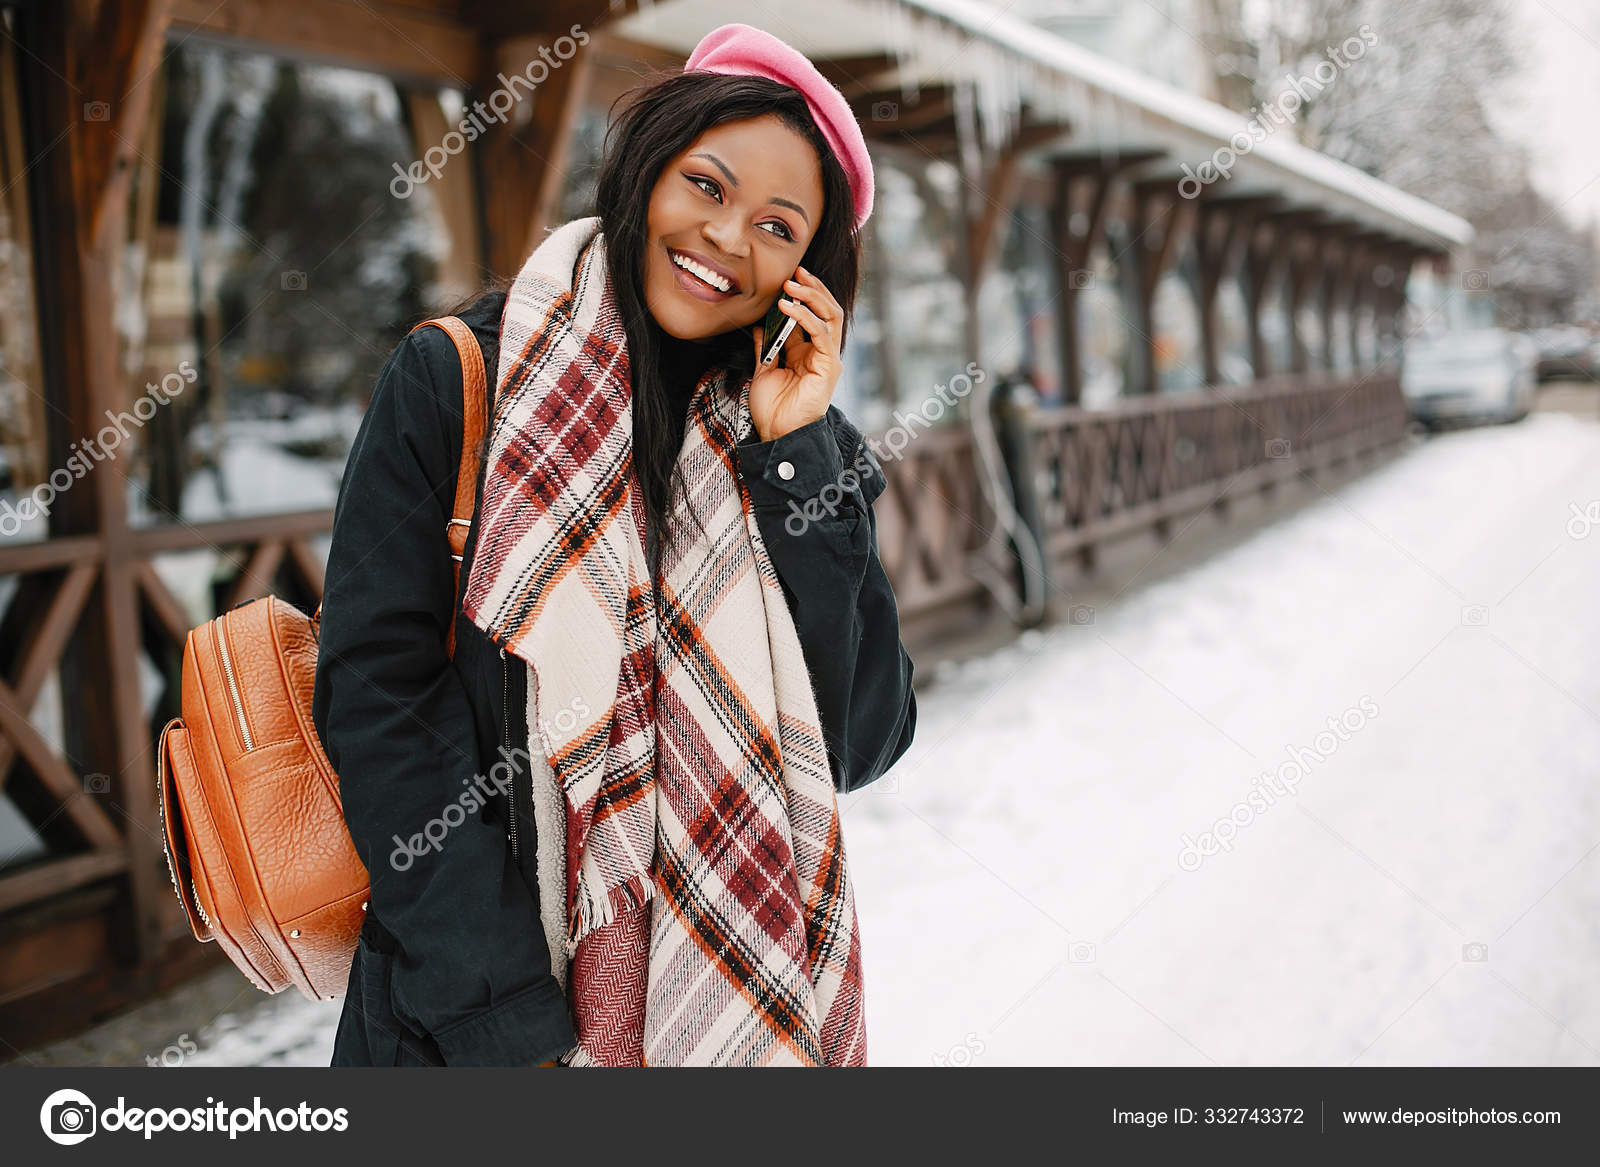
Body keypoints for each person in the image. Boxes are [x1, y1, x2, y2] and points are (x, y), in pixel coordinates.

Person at [311, 23, 915, 1068]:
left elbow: (858, 740)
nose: (729, 239)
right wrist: (505, 1022)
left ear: (807, 274)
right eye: (708, 186)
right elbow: (380, 708)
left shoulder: (799, 446)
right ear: (646, 172)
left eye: (778, 226)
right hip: (470, 1026)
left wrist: (796, 454)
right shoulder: (458, 381)